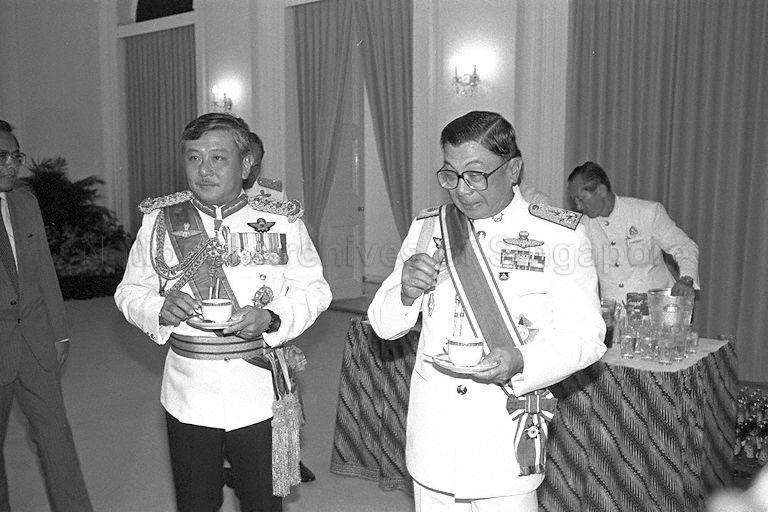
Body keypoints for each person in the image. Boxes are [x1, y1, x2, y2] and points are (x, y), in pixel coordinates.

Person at [367, 111, 606, 511]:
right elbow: (382, 325)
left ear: (513, 169)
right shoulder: (428, 228)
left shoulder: (558, 234)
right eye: (450, 174)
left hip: (503, 435)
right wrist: (406, 293)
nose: (461, 190)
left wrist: (521, 361)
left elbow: (587, 336)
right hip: (434, 440)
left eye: (476, 174)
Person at [115, 112, 331, 512]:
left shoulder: (282, 222)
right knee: (196, 502)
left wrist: (273, 319)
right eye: (194, 158)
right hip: (188, 392)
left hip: (258, 392)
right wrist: (159, 308)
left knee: (263, 503)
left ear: (246, 165)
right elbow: (129, 291)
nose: (204, 170)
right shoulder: (160, 221)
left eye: (218, 158)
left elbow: (314, 289)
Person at [0, 121, 93, 511]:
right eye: (1, 157)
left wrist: (60, 332)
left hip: (36, 338)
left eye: (15, 157)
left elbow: (43, 272)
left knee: (57, 438)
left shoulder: (25, 202)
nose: (11, 166)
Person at [566, 161, 699, 301]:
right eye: (575, 201)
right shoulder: (582, 226)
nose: (578, 206)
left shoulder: (647, 212)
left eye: (581, 199)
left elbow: (685, 246)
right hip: (615, 315)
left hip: (657, 309)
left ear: (601, 190)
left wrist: (686, 279)